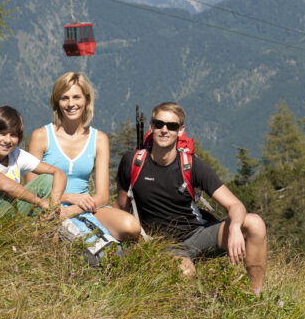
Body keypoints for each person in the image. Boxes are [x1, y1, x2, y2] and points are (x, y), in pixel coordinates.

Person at [114, 102, 267, 294]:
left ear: (180, 131)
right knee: (185, 273)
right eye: (159, 124)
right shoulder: (133, 162)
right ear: (151, 126)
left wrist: (235, 227)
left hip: (198, 235)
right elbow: (120, 208)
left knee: (254, 223)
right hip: (164, 246)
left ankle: (256, 295)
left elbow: (235, 204)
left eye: (171, 126)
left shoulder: (192, 165)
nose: (164, 130)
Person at [27, 72, 140, 241]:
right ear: (57, 102)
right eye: (64, 98)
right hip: (49, 206)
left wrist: (74, 209)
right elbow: (31, 189)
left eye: (76, 97)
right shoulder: (41, 136)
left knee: (131, 226)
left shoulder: (99, 139)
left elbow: (102, 195)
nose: (71, 104)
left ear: (86, 100)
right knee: (55, 245)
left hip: (85, 207)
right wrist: (68, 198)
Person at [0, 105, 67, 221]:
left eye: (13, 135)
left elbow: (58, 173)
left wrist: (55, 202)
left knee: (47, 180)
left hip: (5, 212)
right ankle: (17, 232)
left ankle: (38, 228)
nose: (7, 140)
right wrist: (39, 202)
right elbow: (4, 185)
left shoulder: (16, 154)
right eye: (2, 133)